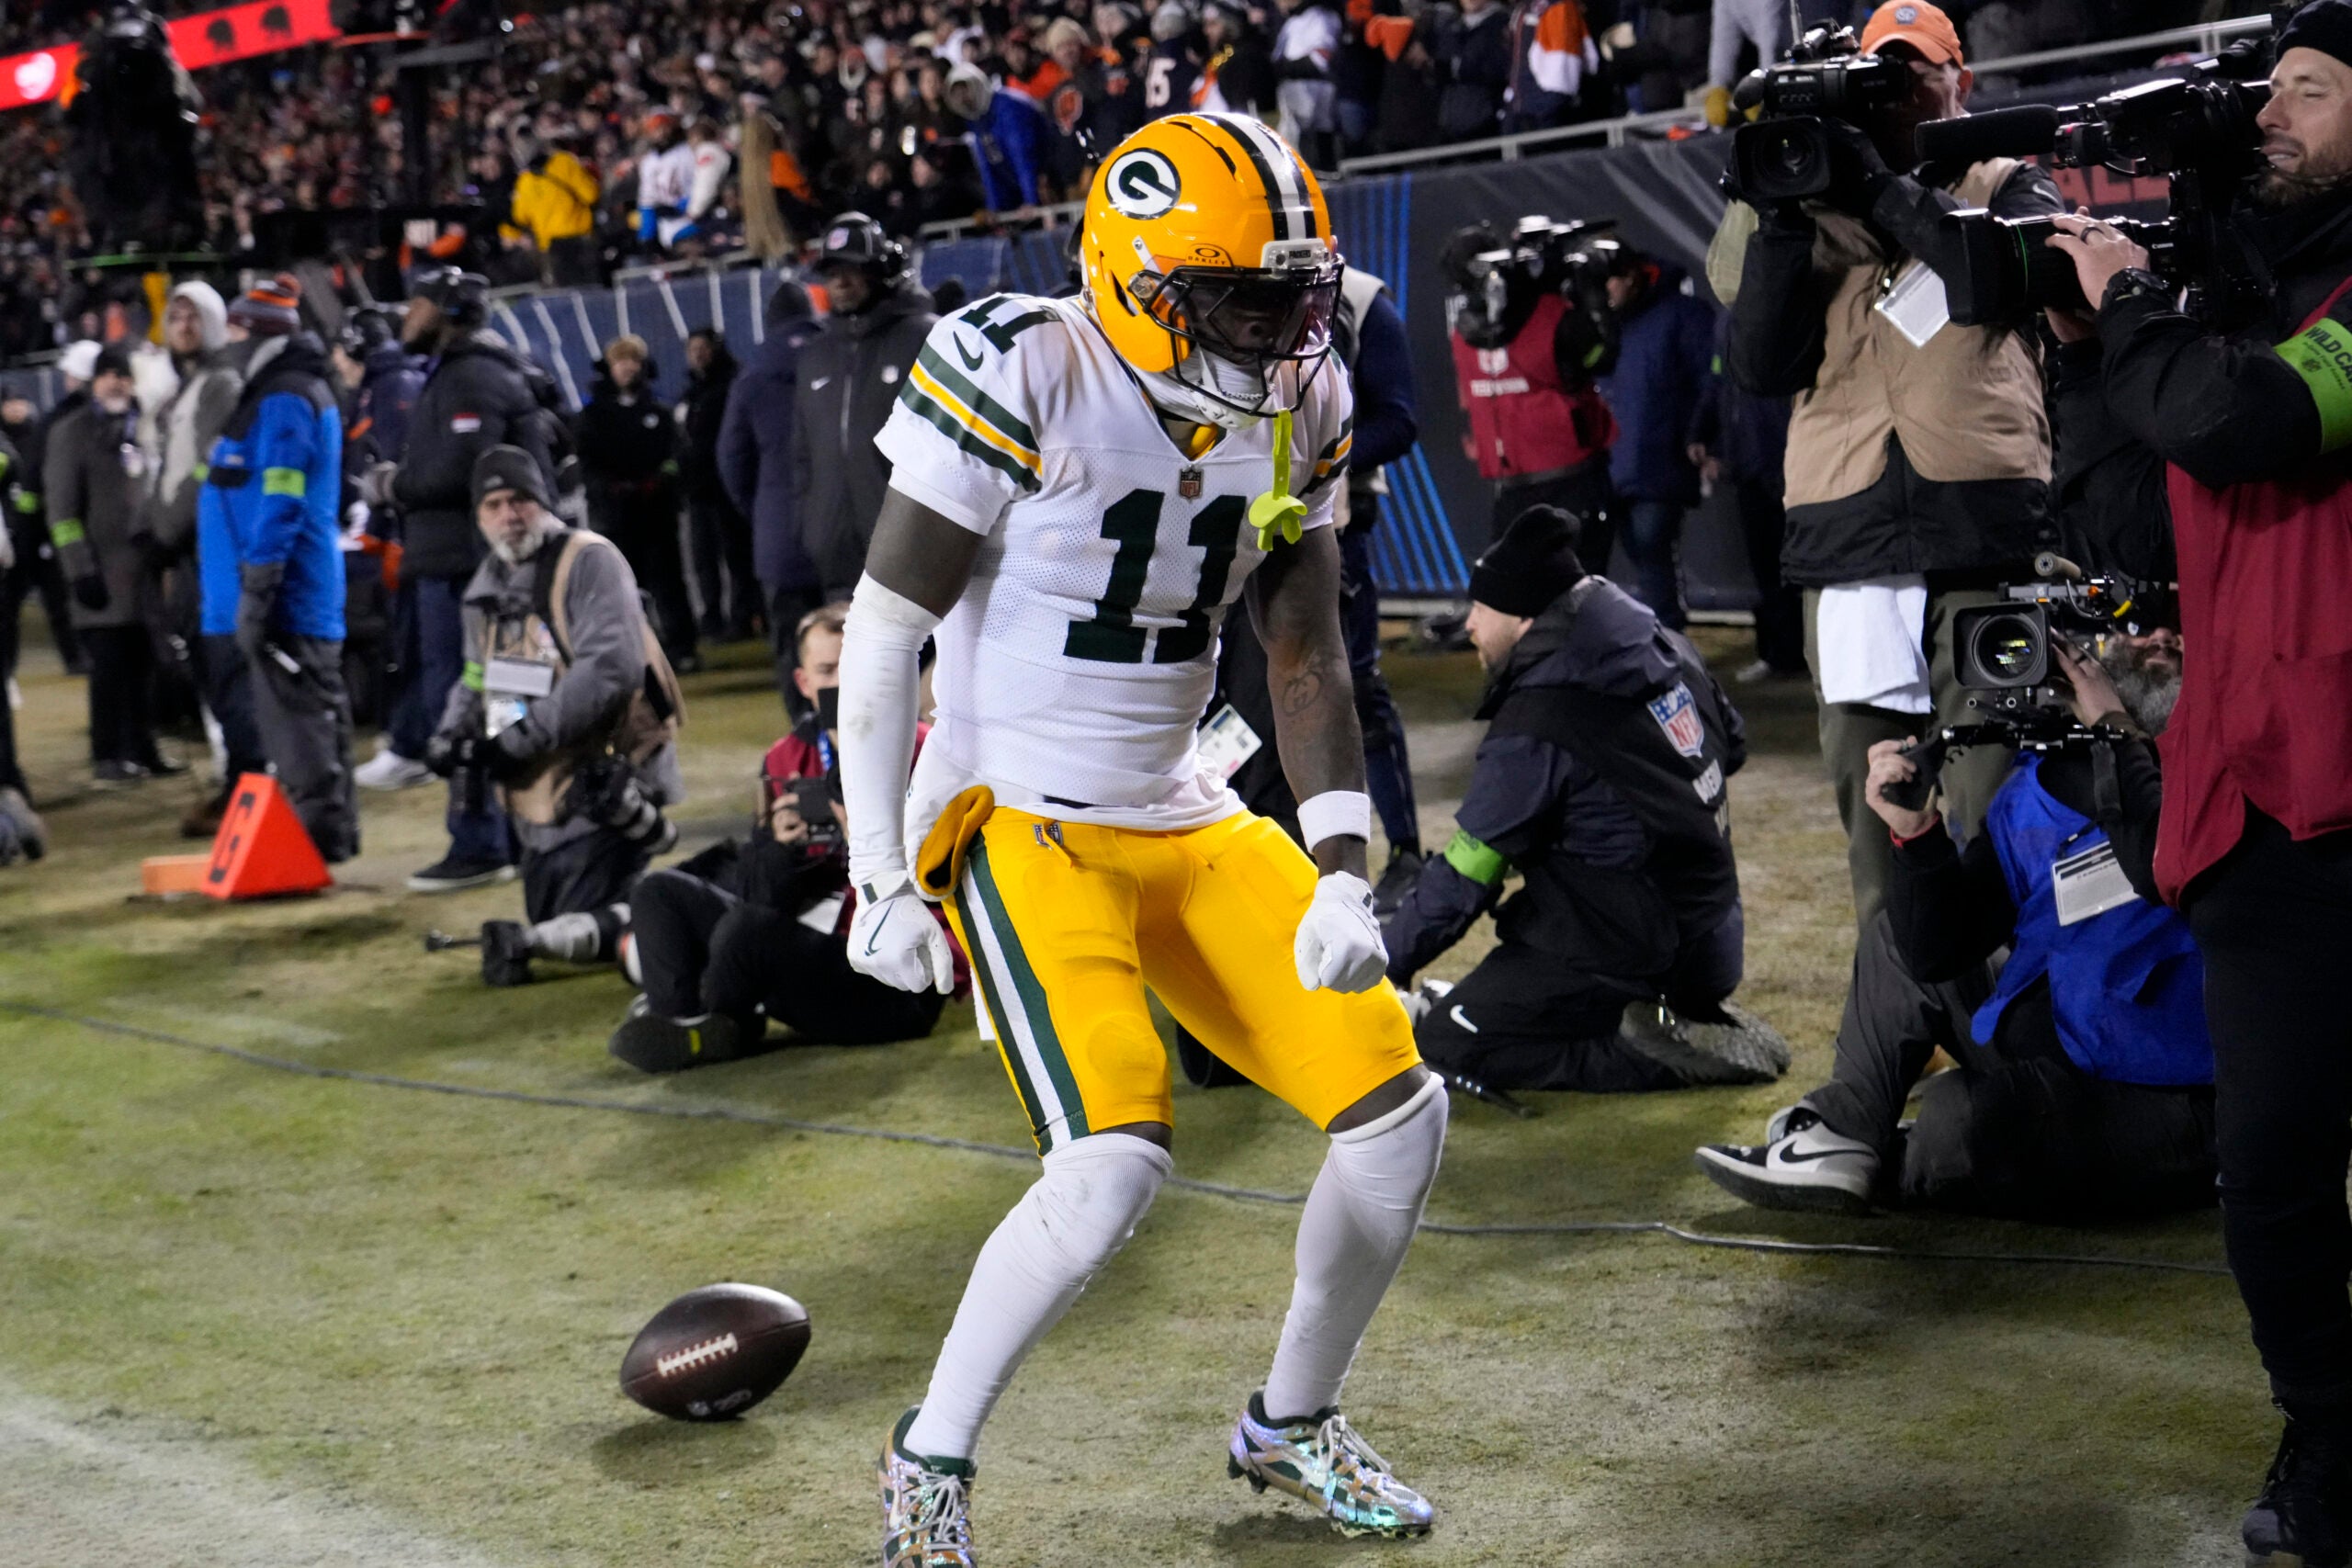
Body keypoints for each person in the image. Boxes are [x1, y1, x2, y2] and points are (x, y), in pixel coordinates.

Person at [842, 114, 1442, 1563]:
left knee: (1399, 1115)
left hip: (1181, 800)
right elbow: (883, 627)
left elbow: (1305, 656)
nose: (1286, 324)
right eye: (1247, 294)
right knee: (1109, 1162)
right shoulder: (1025, 362)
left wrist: (1347, 869)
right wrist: (872, 869)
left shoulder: (1303, 395)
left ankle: (1290, 1421)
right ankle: (929, 1456)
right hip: (1021, 816)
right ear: (1140, 279)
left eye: (1300, 290)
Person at [2040, 5, 2352, 1556]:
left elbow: (2256, 425)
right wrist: (2097, 353)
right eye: (2267, 89)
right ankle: (2330, 1430)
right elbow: (2143, 538)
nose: (2271, 115)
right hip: (2255, 810)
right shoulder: (2226, 308)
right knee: (2273, 1167)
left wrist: (2141, 316)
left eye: (2310, 89)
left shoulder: (2308, 321)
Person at [1724, 0, 2062, 931]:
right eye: (1882, 74)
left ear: (1964, 81)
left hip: (1983, 535)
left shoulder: (2006, 182)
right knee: (1879, 826)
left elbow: (2003, 278)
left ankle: (2024, 1044)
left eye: (1920, 71)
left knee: (2003, 809)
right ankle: (1904, 1040)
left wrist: (1880, 188)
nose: (1904, 91)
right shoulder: (1807, 203)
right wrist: (1785, 218)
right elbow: (1757, 367)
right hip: (1850, 543)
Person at [1702, 620, 2215, 1216]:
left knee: (1962, 1119)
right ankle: (1840, 1141)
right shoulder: (2045, 778)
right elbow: (1937, 952)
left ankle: (1896, 1160)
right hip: (2061, 1040)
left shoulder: (2221, 767)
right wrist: (1918, 838)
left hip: (2170, 1091)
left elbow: (2156, 858)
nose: (2161, 636)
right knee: (1899, 932)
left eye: (2176, 627)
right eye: (2134, 624)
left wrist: (2113, 729)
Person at [1385, 505, 1782, 1091]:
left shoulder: (1541, 720)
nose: (1468, 624)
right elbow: (1734, 748)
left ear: (1523, 619)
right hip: (1714, 935)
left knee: (1447, 1040)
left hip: (1632, 955)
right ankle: (1681, 1017)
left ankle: (1653, 1054)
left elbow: (1464, 876)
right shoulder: (1665, 645)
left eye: (1481, 608)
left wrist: (1383, 961)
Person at [612, 604, 949, 1071]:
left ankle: (717, 1020)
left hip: (889, 974)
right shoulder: (785, 757)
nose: (840, 684)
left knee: (747, 934)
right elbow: (758, 894)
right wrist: (778, 848)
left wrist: (867, 832)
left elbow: (950, 877)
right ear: (804, 683)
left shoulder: (922, 748)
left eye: (851, 668)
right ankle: (686, 1023)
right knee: (659, 892)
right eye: (827, 671)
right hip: (803, 945)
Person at [428, 448, 683, 986]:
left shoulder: (590, 559)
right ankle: (657, 904)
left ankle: (678, 906)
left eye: (520, 499)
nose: (508, 514)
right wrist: (450, 735)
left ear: (544, 502)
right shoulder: (487, 585)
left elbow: (610, 672)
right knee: (552, 919)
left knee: (577, 929)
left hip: (610, 772)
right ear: (478, 515)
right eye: (493, 504)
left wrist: (513, 741)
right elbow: (478, 676)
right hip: (540, 777)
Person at [364, 266, 559, 894]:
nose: (406, 315)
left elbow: (459, 472)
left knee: (477, 707)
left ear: (446, 307)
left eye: (417, 302)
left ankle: (483, 841)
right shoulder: (467, 371)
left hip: (469, 575)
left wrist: (393, 484)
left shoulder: (470, 375)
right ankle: (511, 836)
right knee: (503, 703)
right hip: (479, 571)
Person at [189, 276, 356, 862]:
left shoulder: (286, 397)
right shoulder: (273, 391)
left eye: (235, 327)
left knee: (302, 725)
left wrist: (257, 591)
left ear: (257, 331)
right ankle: (325, 835)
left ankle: (318, 843)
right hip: (281, 588)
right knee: (301, 719)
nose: (227, 339)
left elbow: (281, 499)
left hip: (289, 592)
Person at [142, 280, 254, 838]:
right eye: (174, 313)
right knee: (209, 674)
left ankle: (247, 785)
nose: (182, 323)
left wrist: (165, 527)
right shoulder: (178, 395)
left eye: (193, 314)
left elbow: (209, 470)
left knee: (228, 672)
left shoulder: (222, 386)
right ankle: (235, 779)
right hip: (187, 554)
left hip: (212, 550)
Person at [1442, 220, 1619, 572]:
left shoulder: (1541, 316)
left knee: (1566, 598)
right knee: (1518, 601)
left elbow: (1601, 359)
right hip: (1526, 484)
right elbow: (1602, 356)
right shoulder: (1542, 314)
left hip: (1563, 481)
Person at [1330, 266, 1424, 909]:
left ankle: (1407, 849)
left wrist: (1314, 460)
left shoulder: (1361, 302)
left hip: (1336, 526)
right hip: (1238, 529)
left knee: (1354, 688)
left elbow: (1398, 420)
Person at [49, 344, 179, 787]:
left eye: (122, 374)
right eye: (107, 375)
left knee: (143, 668)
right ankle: (107, 756)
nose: (116, 382)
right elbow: (62, 512)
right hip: (100, 577)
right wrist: (78, 570)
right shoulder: (72, 432)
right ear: (93, 382)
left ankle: (143, 749)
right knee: (107, 672)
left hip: (142, 576)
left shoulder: (143, 427)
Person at [792, 213, 934, 598]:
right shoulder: (815, 355)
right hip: (835, 551)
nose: (840, 280)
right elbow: (802, 454)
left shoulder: (923, 337)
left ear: (879, 270)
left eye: (853, 268)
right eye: (832, 270)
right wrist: (812, 524)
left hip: (912, 548)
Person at [719, 281, 831, 706]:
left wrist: (763, 512)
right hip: (847, 537)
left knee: (794, 650)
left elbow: (732, 462)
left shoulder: (751, 378)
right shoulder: (842, 359)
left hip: (780, 538)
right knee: (857, 648)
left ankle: (806, 748)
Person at [1594, 246, 1715, 630]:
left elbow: (1710, 382)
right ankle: (1657, 641)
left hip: (1661, 461)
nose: (1602, 292)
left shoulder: (1684, 314)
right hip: (1609, 464)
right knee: (1638, 554)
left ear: (1631, 276)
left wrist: (1701, 435)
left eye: (1608, 281)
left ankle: (1669, 641)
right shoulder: (1600, 323)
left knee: (1652, 548)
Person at [341, 307, 435, 793]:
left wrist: (381, 533)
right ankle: (412, 738)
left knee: (419, 647)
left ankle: (413, 745)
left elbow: (388, 470)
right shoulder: (385, 386)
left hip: (412, 539)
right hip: (408, 535)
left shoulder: (392, 389)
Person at [1689, 311, 1804, 682]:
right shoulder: (1725, 322)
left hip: (1789, 464)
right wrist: (1701, 432)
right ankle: (1778, 654)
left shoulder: (1785, 313)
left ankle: (1804, 654)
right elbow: (1719, 382)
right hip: (1750, 467)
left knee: (1798, 568)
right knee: (1765, 568)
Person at [574, 334, 696, 668]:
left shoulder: (659, 412)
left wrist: (660, 480)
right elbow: (587, 464)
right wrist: (613, 488)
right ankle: (632, 652)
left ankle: (681, 649)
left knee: (668, 582)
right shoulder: (593, 416)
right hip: (614, 518)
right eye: (620, 361)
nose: (627, 367)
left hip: (657, 515)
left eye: (633, 360)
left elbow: (677, 456)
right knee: (622, 587)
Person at [678, 329, 756, 645]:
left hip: (726, 490)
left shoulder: (731, 386)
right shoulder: (691, 393)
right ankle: (712, 620)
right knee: (703, 560)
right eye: (692, 348)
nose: (697, 354)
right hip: (698, 492)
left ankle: (743, 619)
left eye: (702, 348)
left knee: (736, 558)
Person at [943, 63, 1052, 212]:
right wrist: (994, 208)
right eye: (956, 93)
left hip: (1048, 180)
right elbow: (988, 165)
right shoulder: (977, 120)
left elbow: (1022, 156)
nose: (962, 98)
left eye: (965, 90)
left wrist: (1031, 200)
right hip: (1019, 188)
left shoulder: (1008, 108)